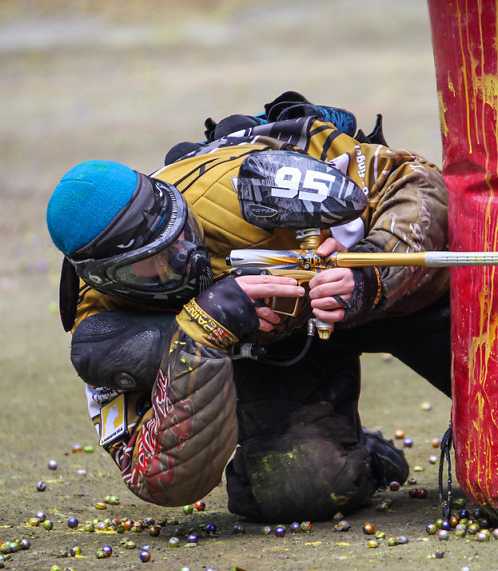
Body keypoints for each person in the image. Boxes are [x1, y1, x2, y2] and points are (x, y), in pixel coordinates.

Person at [46, 93, 451, 522]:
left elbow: (416, 181)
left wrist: (369, 272)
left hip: (392, 292)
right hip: (277, 348)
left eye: (179, 236)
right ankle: (360, 453)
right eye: (151, 269)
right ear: (101, 277)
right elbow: (157, 475)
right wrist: (203, 332)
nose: (182, 261)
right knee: (294, 485)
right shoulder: (103, 322)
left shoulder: (253, 174)